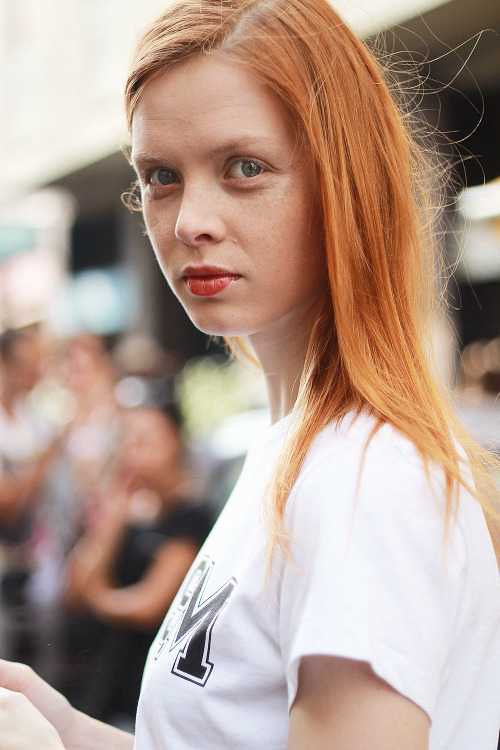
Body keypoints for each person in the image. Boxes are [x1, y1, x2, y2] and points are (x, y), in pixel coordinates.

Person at [0, 0, 499, 747]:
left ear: (343, 183)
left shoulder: (366, 479)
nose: (189, 219)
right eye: (161, 176)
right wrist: (66, 729)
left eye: (244, 168)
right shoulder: (296, 449)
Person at [59, 403, 213, 728]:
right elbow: (73, 590)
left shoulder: (191, 518)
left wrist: (97, 596)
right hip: (101, 684)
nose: (134, 453)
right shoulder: (128, 513)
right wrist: (114, 515)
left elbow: (147, 605)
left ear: (177, 443)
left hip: (144, 693)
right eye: (128, 441)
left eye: (146, 441)